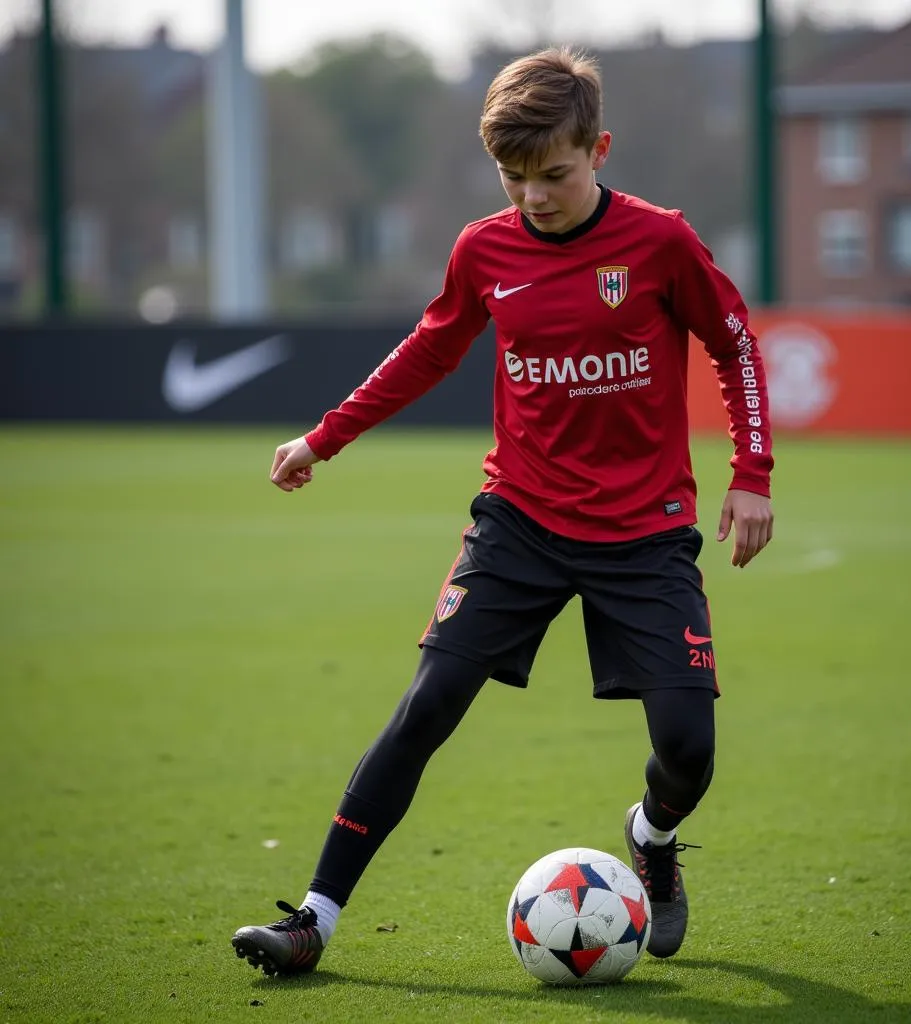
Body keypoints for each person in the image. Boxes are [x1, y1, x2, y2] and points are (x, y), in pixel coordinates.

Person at [231, 45, 773, 977]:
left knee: (688, 749)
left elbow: (735, 345)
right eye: (514, 177)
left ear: (598, 148)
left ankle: (650, 837)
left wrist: (752, 471)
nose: (534, 196)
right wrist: (323, 439)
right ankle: (312, 918)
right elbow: (428, 351)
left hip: (644, 534)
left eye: (554, 173)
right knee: (427, 706)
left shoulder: (660, 243)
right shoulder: (484, 250)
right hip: (518, 522)